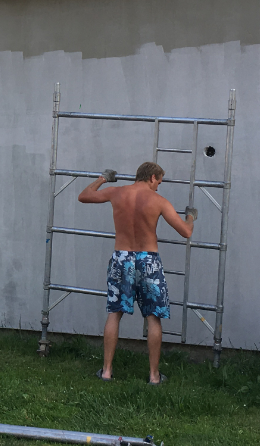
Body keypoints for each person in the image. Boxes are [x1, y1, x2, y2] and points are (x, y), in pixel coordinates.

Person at [77, 161, 195, 384]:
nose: (158, 186)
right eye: (159, 182)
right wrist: (191, 217)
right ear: (152, 177)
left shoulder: (116, 192)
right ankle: (154, 376)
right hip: (148, 260)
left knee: (115, 313)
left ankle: (107, 372)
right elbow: (186, 232)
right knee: (153, 317)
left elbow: (84, 196)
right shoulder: (158, 201)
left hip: (122, 258)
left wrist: (103, 179)